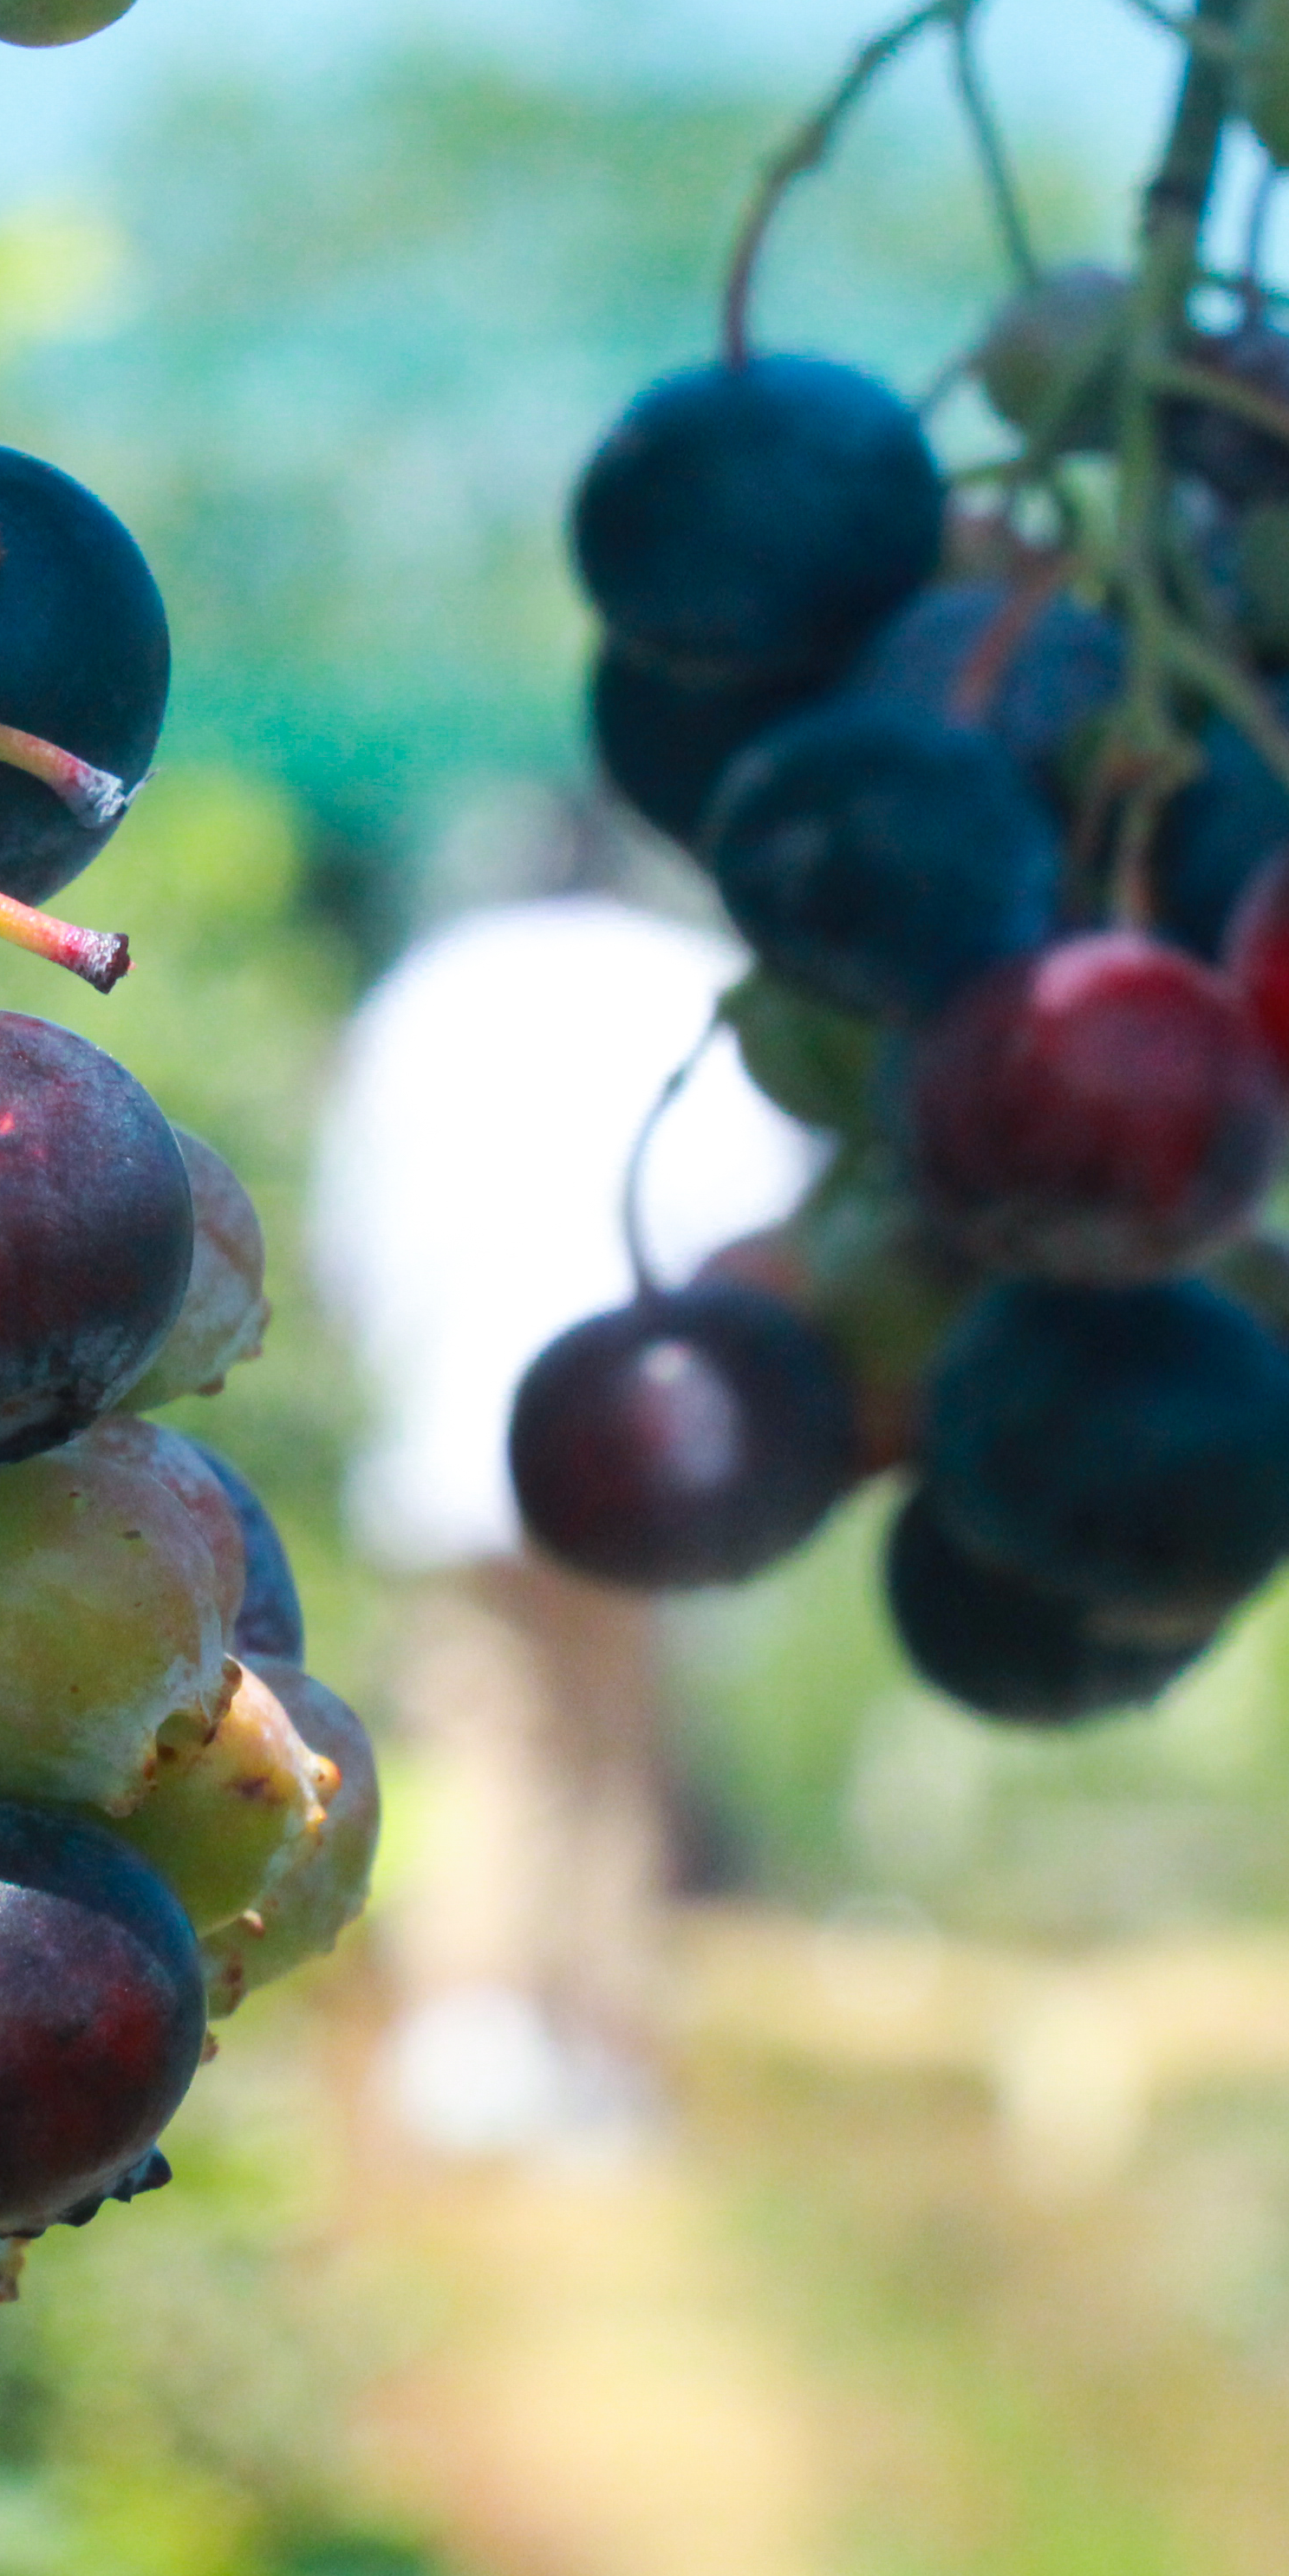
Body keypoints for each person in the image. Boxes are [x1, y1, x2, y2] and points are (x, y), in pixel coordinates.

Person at [311, 836, 812, 2155]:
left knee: (486, 1718)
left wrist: (393, 1346)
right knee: (616, 1729)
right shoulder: (698, 978)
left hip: (462, 1401)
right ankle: (595, 2047)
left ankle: (474, 2038)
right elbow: (766, 1214)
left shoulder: (436, 987)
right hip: (660, 1427)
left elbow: (354, 1208)